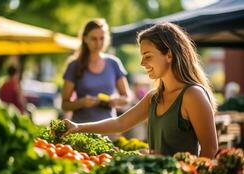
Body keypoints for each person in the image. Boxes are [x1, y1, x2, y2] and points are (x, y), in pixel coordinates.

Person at [63, 22, 218, 158]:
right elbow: (120, 123)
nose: (142, 63)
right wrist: (78, 127)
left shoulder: (193, 95)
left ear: (169, 54)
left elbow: (210, 150)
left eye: (147, 56)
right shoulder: (154, 98)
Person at [62, 18, 132, 123]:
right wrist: (82, 102)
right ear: (85, 39)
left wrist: (116, 100)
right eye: (94, 39)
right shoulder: (74, 65)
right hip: (81, 129)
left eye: (102, 38)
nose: (98, 43)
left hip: (109, 127)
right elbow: (64, 105)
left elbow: (127, 97)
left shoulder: (114, 63)